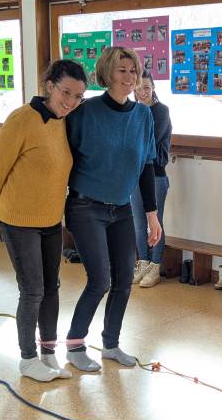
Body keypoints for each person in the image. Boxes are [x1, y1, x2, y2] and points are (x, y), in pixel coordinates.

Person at [0, 60, 87, 382]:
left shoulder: (64, 122)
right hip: (17, 218)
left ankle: (47, 353)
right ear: (49, 86)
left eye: (78, 97)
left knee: (51, 288)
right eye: (65, 92)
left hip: (50, 220)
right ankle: (27, 360)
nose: (70, 102)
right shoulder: (22, 119)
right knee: (32, 290)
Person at [63, 46, 161, 371]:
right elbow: (62, 159)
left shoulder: (143, 116)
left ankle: (111, 344)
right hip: (85, 206)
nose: (129, 77)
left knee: (123, 280)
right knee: (99, 280)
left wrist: (151, 214)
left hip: (121, 208)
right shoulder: (85, 112)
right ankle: (75, 346)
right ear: (106, 73)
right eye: (122, 70)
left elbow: (146, 166)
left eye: (133, 71)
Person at [130, 71, 172, 288]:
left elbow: (150, 144)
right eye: (138, 88)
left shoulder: (161, 111)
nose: (142, 92)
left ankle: (155, 267)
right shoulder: (131, 109)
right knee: (138, 224)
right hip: (134, 177)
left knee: (155, 224)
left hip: (155, 176)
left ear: (153, 87)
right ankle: (143, 263)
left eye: (146, 87)